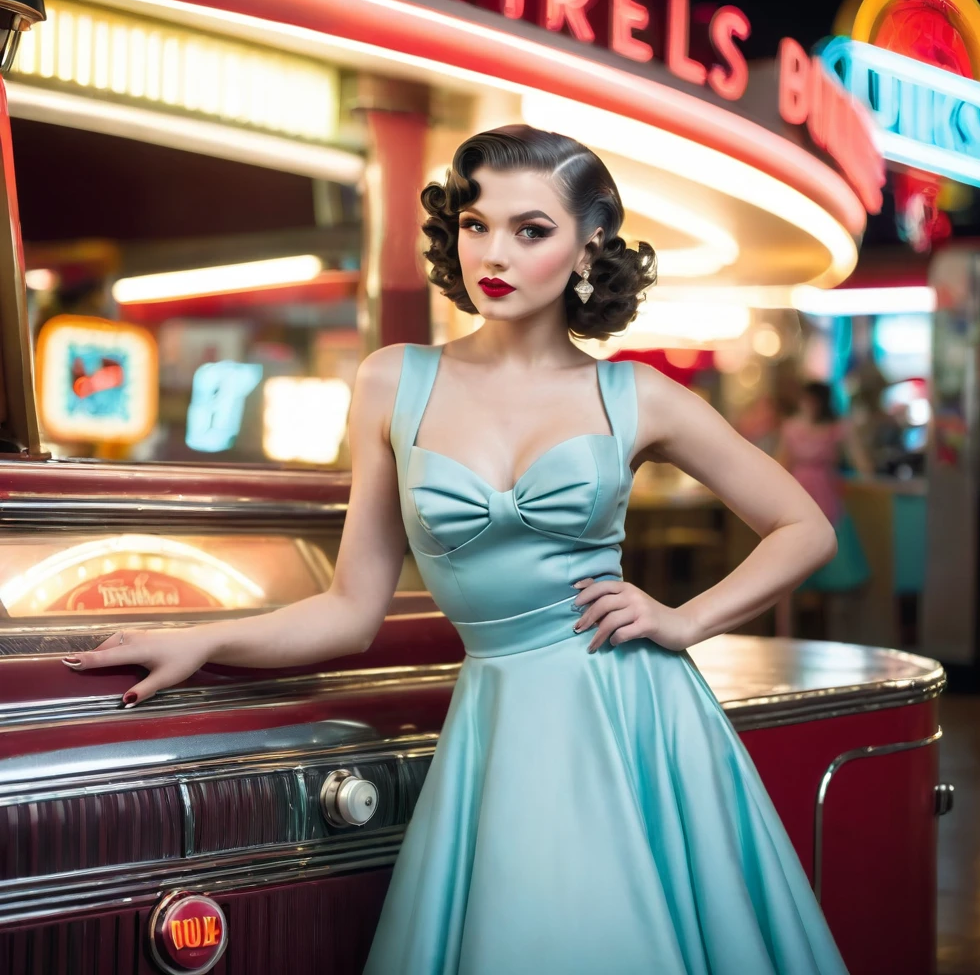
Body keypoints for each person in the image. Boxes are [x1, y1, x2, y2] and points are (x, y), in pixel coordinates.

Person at [62, 125, 848, 974]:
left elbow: (806, 527)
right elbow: (349, 610)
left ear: (589, 248)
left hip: (634, 716)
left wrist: (685, 620)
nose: (494, 252)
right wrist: (205, 638)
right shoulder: (392, 381)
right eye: (476, 224)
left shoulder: (636, 395)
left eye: (531, 229)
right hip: (501, 720)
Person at [775, 381, 872, 637]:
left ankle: (835, 635)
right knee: (792, 570)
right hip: (800, 496)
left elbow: (861, 462)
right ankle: (790, 634)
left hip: (828, 499)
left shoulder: (838, 428)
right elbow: (781, 462)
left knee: (835, 571)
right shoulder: (792, 428)